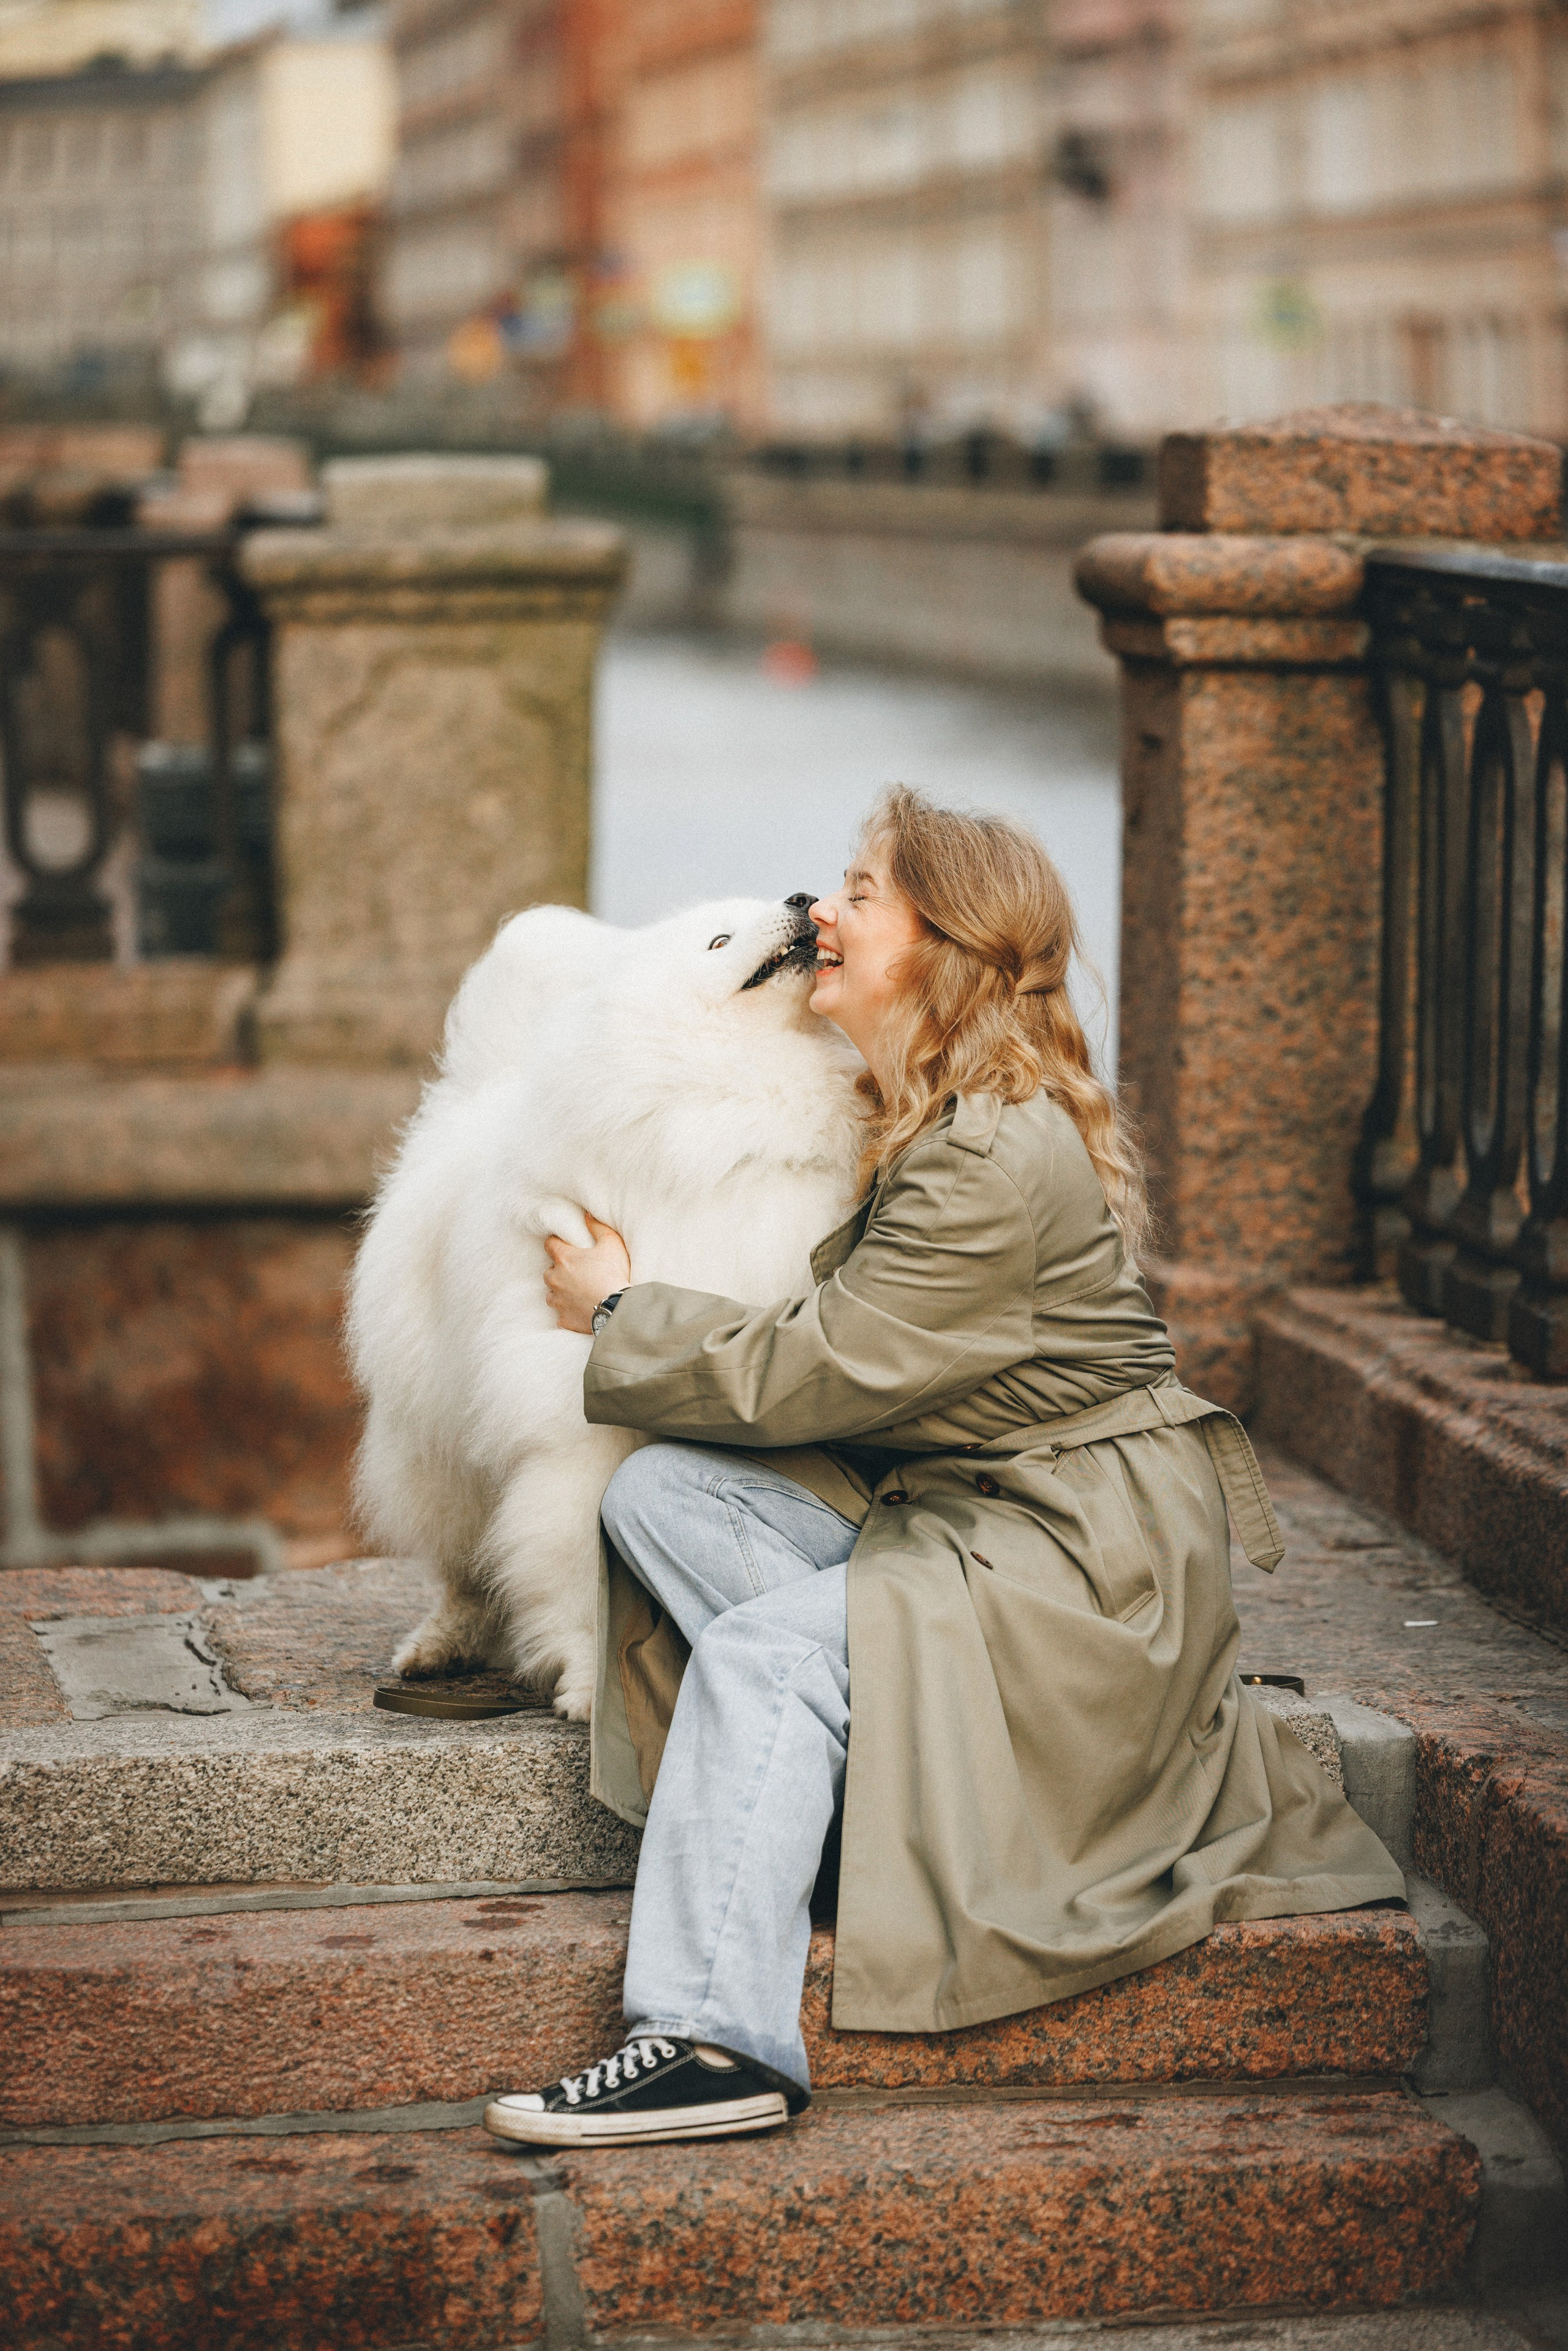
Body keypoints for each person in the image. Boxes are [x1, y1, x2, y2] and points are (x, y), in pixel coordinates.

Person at [483, 787, 1404, 2151]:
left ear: (944, 948)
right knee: (660, 1493)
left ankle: (712, 2040)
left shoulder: (982, 1148)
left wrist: (621, 1311)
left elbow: (826, 1366)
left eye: (862, 894)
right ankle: (847, 1802)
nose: (823, 911)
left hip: (1081, 1573)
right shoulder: (935, 1109)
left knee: (770, 1657)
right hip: (991, 1525)